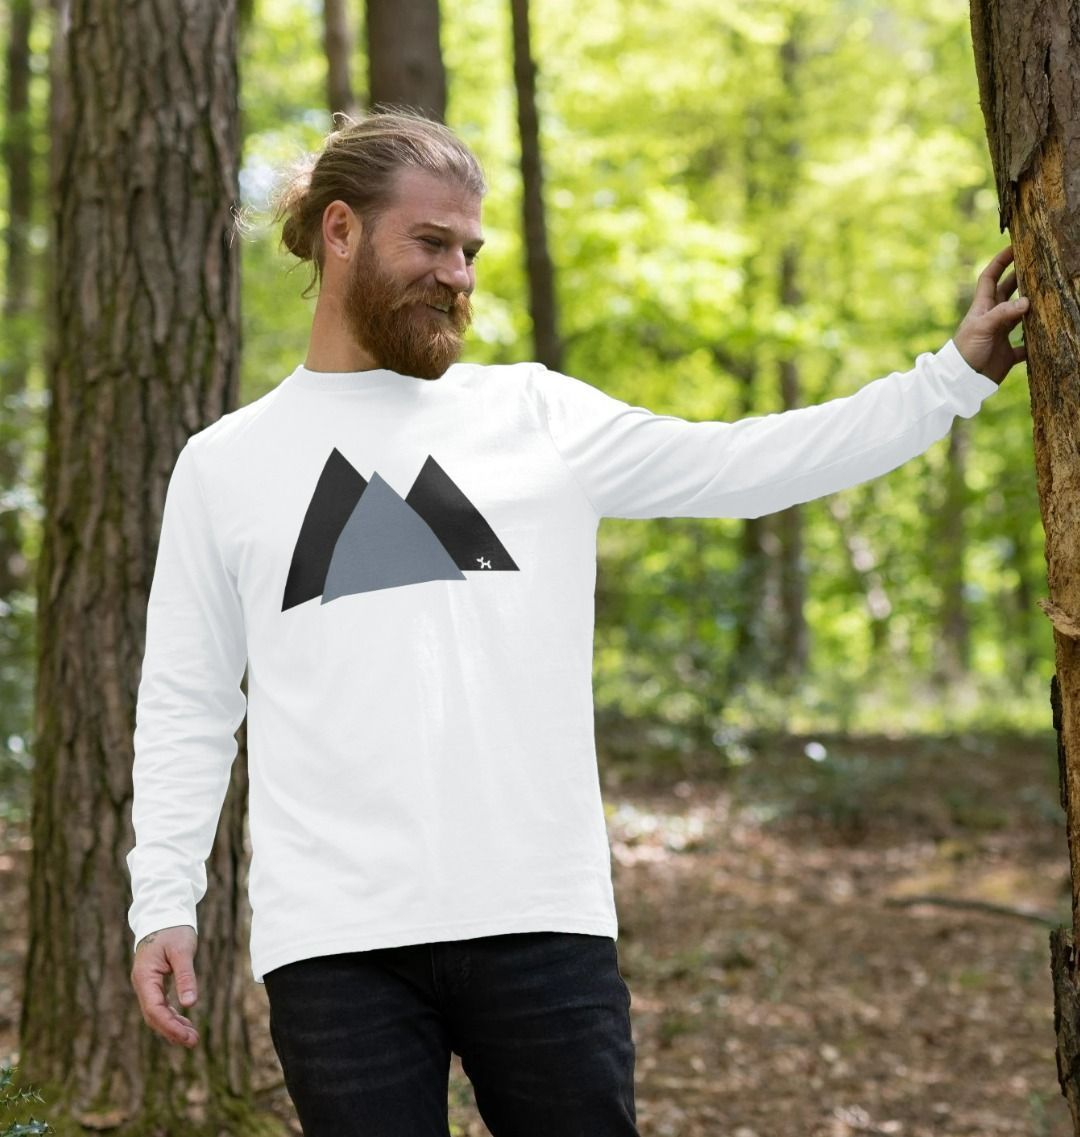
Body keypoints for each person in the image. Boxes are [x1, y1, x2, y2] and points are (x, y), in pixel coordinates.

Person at [126, 109, 1029, 1136]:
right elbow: (188, 703)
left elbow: (748, 463)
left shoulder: (535, 416)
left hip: (540, 921)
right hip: (334, 942)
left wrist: (949, 380)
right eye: (431, 242)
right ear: (341, 231)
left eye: (470, 251)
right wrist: (163, 902)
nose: (458, 275)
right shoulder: (226, 464)